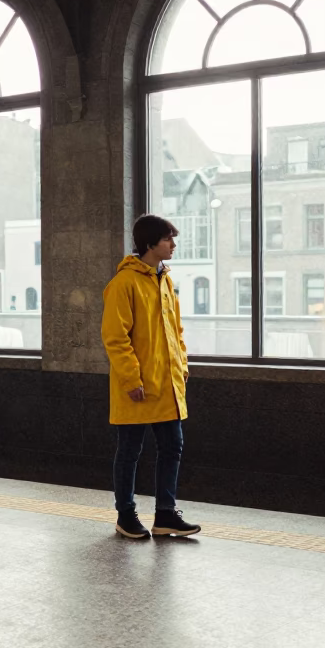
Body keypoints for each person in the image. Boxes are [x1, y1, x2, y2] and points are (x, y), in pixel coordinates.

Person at [100, 214, 202, 539]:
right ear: (149, 243)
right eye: (167, 239)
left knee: (173, 446)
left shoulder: (165, 280)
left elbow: (176, 331)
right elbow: (116, 337)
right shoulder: (124, 283)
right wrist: (131, 379)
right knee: (130, 451)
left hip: (166, 384)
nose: (173, 245)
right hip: (138, 387)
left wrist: (181, 366)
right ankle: (125, 515)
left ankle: (165, 515)